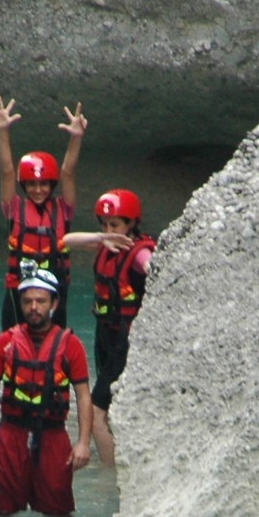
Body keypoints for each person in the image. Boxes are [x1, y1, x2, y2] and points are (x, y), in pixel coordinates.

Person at [0, 267, 94, 516]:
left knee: (57, 516)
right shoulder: (4, 342)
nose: (34, 307)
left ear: (54, 303)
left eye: (41, 301)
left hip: (53, 436)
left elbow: (83, 396)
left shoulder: (72, 346)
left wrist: (83, 443)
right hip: (10, 435)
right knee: (0, 514)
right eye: (28, 301)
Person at [63, 188, 153, 466]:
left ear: (131, 224)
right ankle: (120, 461)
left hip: (126, 341)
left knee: (96, 409)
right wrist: (102, 237)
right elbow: (66, 240)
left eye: (115, 225)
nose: (109, 230)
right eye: (104, 225)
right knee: (112, 404)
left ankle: (109, 475)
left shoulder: (139, 253)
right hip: (106, 335)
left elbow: (151, 267)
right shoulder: (107, 243)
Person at [0, 95, 85, 331]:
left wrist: (76, 138)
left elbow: (68, 173)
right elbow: (7, 172)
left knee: (52, 351)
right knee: (12, 348)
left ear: (52, 185)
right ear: (24, 186)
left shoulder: (64, 209)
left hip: (54, 291)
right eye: (32, 185)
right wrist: (3, 131)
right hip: (17, 291)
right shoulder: (14, 208)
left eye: (44, 184)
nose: (38, 190)